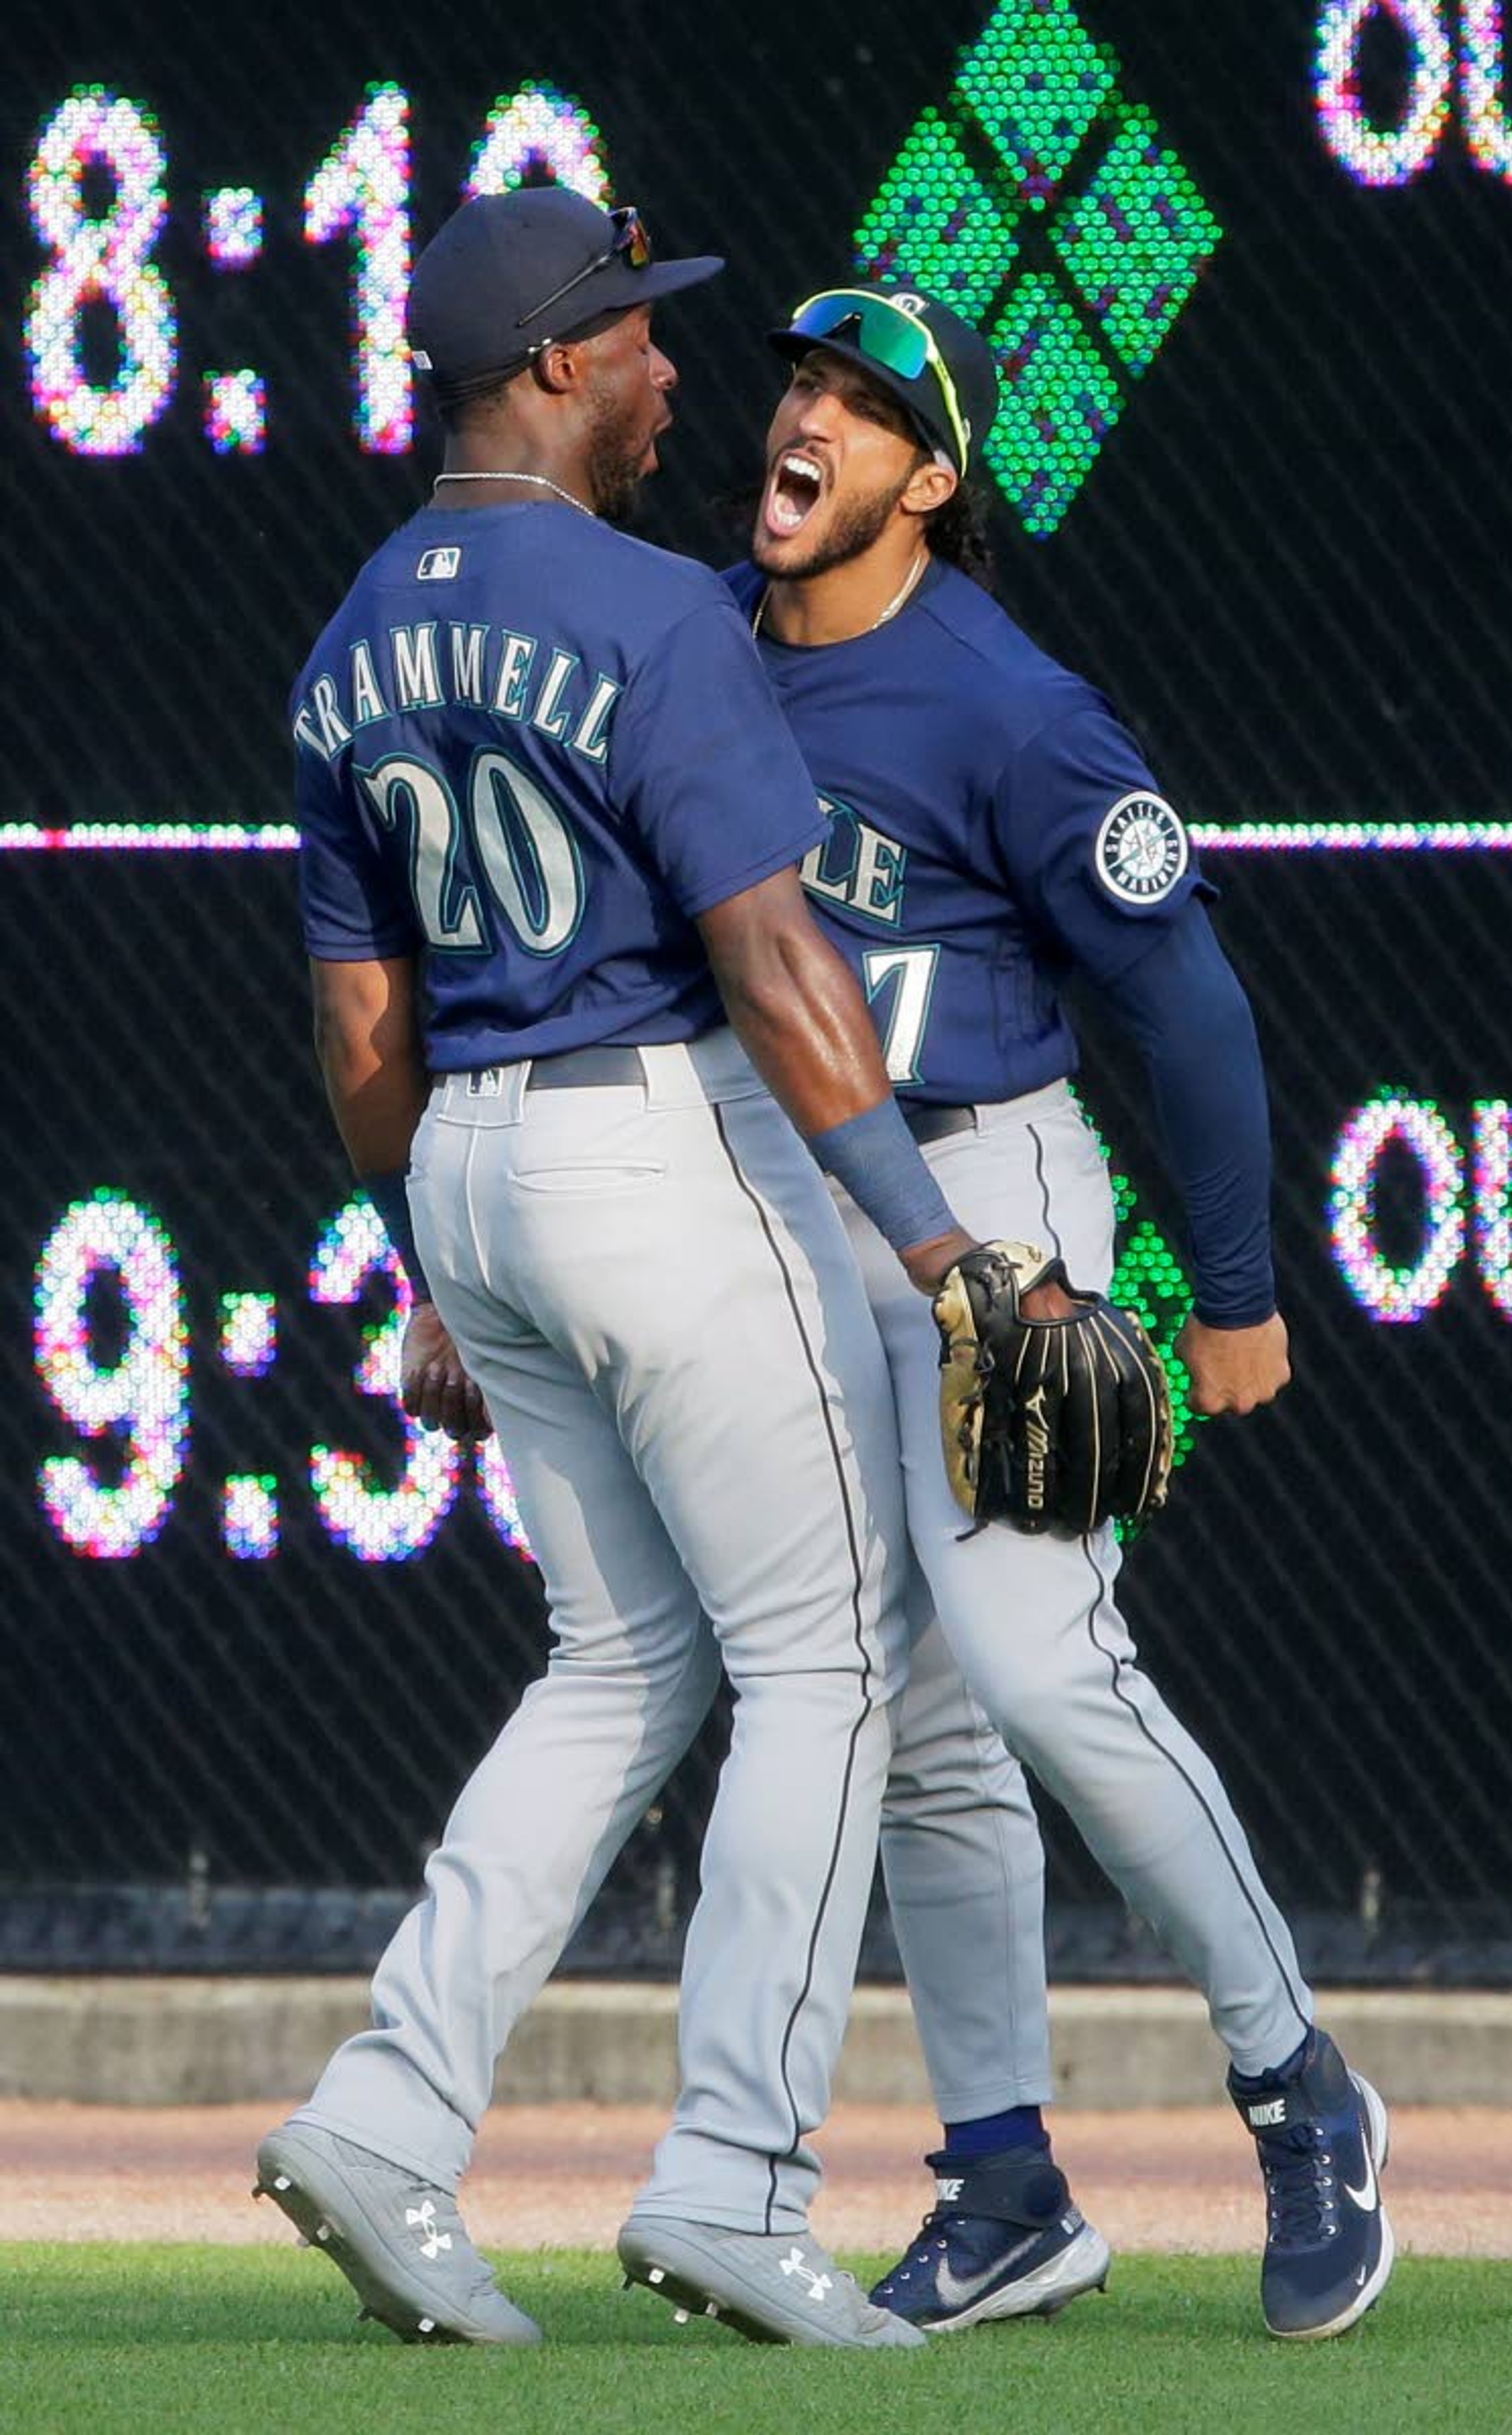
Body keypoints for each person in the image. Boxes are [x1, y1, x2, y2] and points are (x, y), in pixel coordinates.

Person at [255, 191, 1019, 2354]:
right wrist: (937, 1237)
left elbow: (364, 1043)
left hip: (478, 1172)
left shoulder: (340, 647)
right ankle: (742, 2185)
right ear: (552, 367)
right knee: (835, 1659)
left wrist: (434, 1277)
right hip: (650, 1144)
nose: (681, 371)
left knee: (620, 1665)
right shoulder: (646, 612)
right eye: (645, 340)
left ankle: (390, 2119)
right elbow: (774, 959)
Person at [722, 283, 1395, 2344]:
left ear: (930, 481)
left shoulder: (1009, 705)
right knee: (913, 1715)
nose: (808, 417)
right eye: (802, 383)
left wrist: (1240, 1295)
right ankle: (1006, 2180)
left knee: (1034, 1657)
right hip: (786, 1195)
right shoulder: (693, 654)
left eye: (863, 403)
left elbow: (1186, 1001)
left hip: (992, 1184)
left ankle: (1300, 2081)